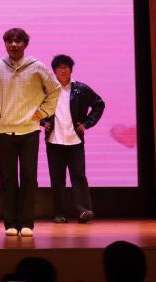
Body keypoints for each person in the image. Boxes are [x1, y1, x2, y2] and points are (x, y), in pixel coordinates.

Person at [0, 27, 59, 237]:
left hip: (29, 131)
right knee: (8, 178)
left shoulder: (37, 67)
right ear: (5, 44)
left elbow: (55, 89)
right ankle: (10, 223)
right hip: (4, 132)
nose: (13, 45)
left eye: (18, 41)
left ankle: (26, 223)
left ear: (25, 44)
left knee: (29, 177)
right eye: (9, 41)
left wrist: (44, 112)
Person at [40, 53, 105, 224]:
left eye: (66, 67)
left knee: (79, 176)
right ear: (54, 71)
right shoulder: (47, 90)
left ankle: (83, 211)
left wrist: (87, 123)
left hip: (75, 141)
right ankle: (59, 213)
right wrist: (43, 122)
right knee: (57, 179)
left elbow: (99, 104)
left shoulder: (80, 89)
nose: (63, 71)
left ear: (71, 70)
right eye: (59, 68)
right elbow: (32, 107)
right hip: (54, 141)